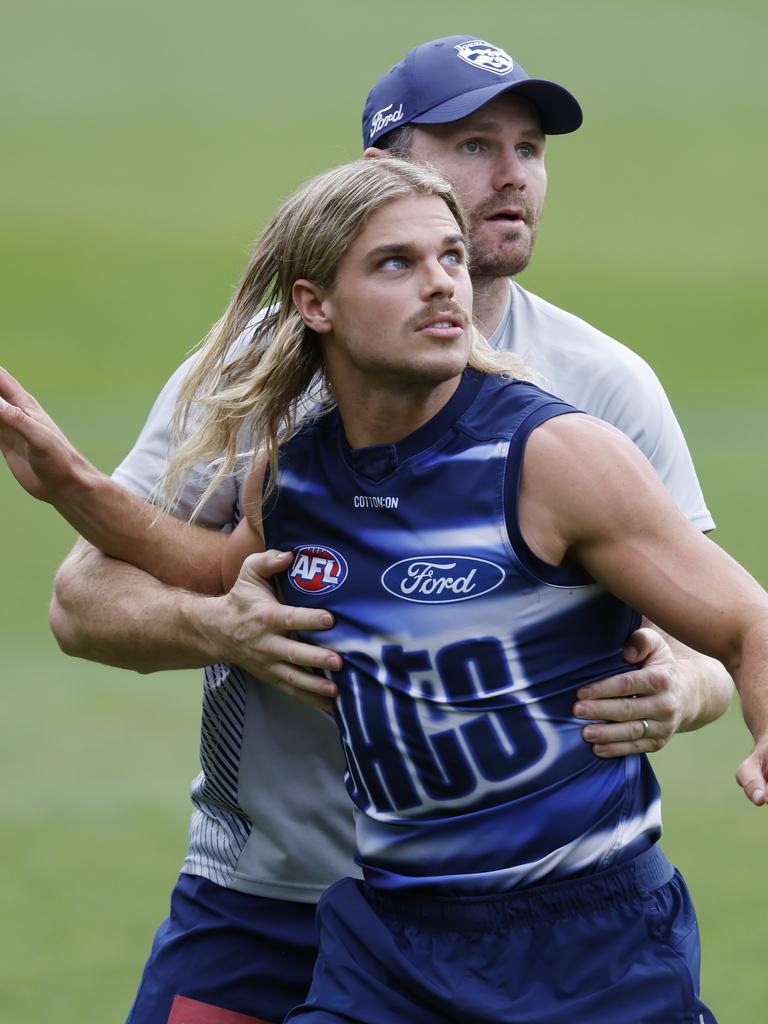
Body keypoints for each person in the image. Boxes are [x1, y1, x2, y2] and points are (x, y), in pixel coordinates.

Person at [26, 34, 738, 1024]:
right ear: (377, 177)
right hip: (269, 892)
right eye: (472, 144)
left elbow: (714, 629)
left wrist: (680, 688)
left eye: (528, 149)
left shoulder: (599, 390)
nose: (509, 176)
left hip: (512, 903)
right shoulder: (249, 386)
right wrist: (217, 628)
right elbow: (83, 602)